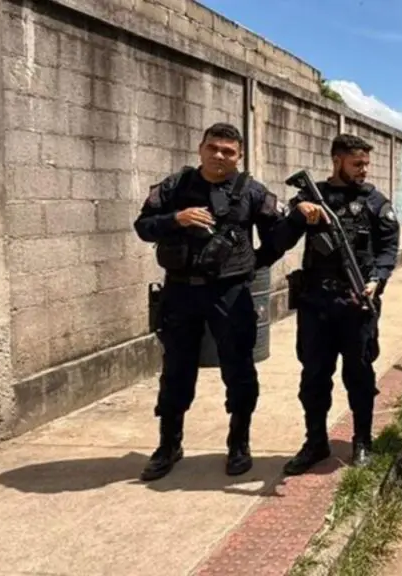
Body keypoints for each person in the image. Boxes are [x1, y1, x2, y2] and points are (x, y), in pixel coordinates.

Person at [133, 122, 287, 481]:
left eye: (228, 151)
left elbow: (277, 237)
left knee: (239, 369)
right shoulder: (175, 187)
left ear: (240, 156)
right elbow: (143, 227)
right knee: (176, 369)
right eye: (213, 148)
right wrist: (176, 219)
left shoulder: (252, 192)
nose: (219, 155)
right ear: (201, 148)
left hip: (229, 293)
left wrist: (252, 264)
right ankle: (169, 444)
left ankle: (238, 443)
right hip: (180, 291)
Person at [262, 133, 400, 473]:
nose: (364, 170)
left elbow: (388, 248)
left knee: (360, 375)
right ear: (337, 160)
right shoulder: (312, 197)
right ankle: (315, 442)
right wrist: (298, 212)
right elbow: (276, 243)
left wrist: (376, 279)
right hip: (316, 305)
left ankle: (362, 441)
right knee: (314, 377)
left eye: (367, 164)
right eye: (357, 164)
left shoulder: (375, 202)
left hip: (357, 303)